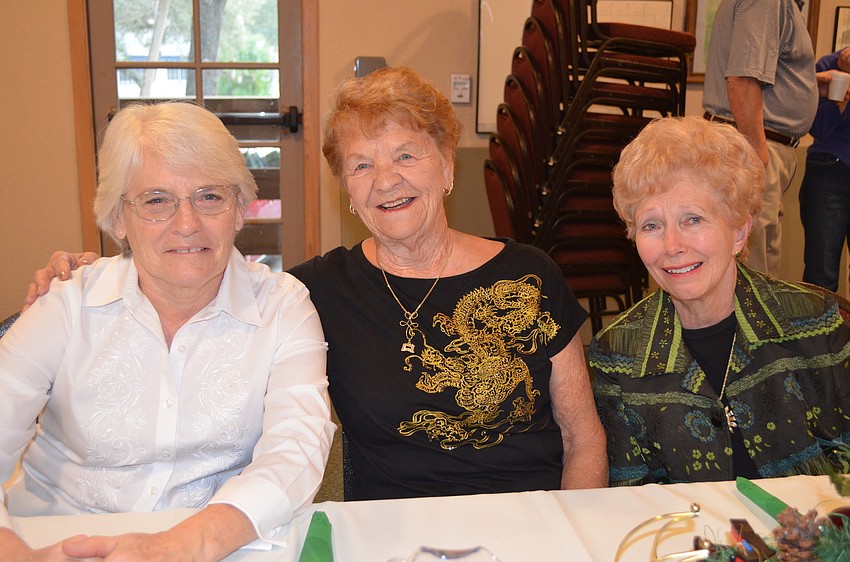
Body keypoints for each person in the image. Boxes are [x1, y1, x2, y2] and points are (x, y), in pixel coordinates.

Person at [27, 67, 608, 501]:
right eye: (360, 165)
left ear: (447, 165)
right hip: (391, 529)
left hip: (534, 514)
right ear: (347, 191)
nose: (386, 180)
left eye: (406, 154)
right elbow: (195, 266)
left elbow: (583, 436)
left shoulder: (529, 272)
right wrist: (98, 271)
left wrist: (571, 531)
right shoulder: (314, 292)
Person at [2, 102, 335, 560]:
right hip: (57, 540)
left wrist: (185, 545)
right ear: (119, 219)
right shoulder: (66, 303)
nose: (186, 224)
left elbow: (297, 447)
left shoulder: (283, 306)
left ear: (240, 209)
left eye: (209, 196)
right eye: (157, 201)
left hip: (214, 543)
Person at [589, 116, 850, 486]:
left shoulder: (813, 321)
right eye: (651, 225)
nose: (673, 246)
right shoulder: (618, 353)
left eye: (693, 219)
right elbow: (630, 496)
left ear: (740, 231)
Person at [702, 0, 817, 277]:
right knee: (752, 272)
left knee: (758, 267)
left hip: (757, 142)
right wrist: (758, 156)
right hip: (753, 144)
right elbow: (741, 81)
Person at [799, 46, 850, 292]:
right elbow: (818, 128)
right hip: (829, 172)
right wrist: (839, 96)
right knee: (822, 276)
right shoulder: (830, 66)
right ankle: (820, 332)